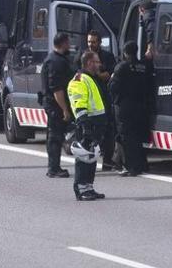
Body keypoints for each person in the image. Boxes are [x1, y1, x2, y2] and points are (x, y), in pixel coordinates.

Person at [110, 41, 154, 176]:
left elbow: (113, 88)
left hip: (125, 106)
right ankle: (142, 164)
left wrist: (111, 79)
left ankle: (131, 167)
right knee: (138, 136)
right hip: (141, 105)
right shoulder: (143, 66)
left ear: (124, 53)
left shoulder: (121, 67)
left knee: (127, 137)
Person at [68, 50, 108, 201]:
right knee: (83, 157)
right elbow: (79, 103)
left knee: (91, 157)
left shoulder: (91, 78)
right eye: (97, 62)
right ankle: (81, 188)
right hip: (87, 124)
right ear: (90, 63)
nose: (99, 64)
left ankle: (89, 187)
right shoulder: (79, 79)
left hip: (95, 125)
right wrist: (85, 127)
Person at [77, 30, 119, 171]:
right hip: (88, 104)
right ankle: (87, 163)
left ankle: (107, 161)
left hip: (104, 98)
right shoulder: (82, 56)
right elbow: (79, 75)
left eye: (93, 42)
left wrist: (97, 74)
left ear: (100, 42)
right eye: (89, 41)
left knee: (108, 132)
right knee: (88, 135)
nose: (90, 44)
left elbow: (110, 74)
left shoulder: (107, 56)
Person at [41, 32, 73, 179]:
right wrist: (65, 109)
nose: (70, 45)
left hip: (52, 104)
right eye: (68, 42)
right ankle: (53, 168)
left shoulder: (53, 59)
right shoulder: (56, 62)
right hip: (55, 105)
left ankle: (54, 166)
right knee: (55, 136)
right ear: (63, 43)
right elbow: (57, 89)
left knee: (54, 135)